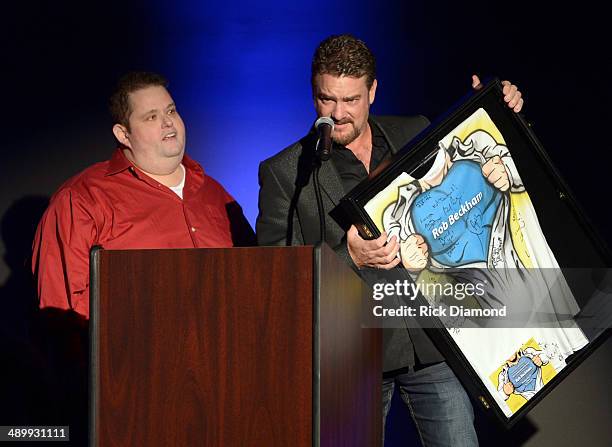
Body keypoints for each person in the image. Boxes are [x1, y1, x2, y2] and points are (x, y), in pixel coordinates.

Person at [256, 34, 523, 446]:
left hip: (429, 341)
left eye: (351, 100)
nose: (338, 114)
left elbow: (470, 165)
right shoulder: (285, 172)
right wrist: (350, 257)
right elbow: (276, 275)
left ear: (373, 91)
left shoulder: (412, 130)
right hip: (351, 356)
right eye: (327, 100)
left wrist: (495, 108)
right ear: (313, 94)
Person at [32, 71, 255, 320]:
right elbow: (61, 309)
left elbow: (257, 281)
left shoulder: (215, 194)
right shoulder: (82, 199)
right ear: (123, 134)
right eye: (151, 117)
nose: (168, 122)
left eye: (171, 111)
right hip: (134, 356)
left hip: (226, 353)